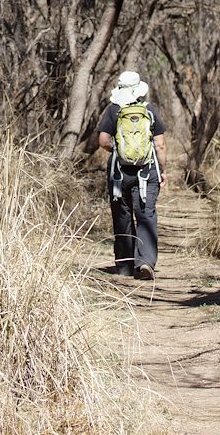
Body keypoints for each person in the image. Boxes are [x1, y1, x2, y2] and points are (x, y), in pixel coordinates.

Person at [96, 70, 166, 280]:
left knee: (122, 215)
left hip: (119, 173)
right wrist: (163, 170)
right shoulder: (150, 110)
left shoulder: (113, 111)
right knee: (146, 214)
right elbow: (160, 145)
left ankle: (125, 266)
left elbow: (102, 140)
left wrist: (118, 150)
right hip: (147, 172)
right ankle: (145, 263)